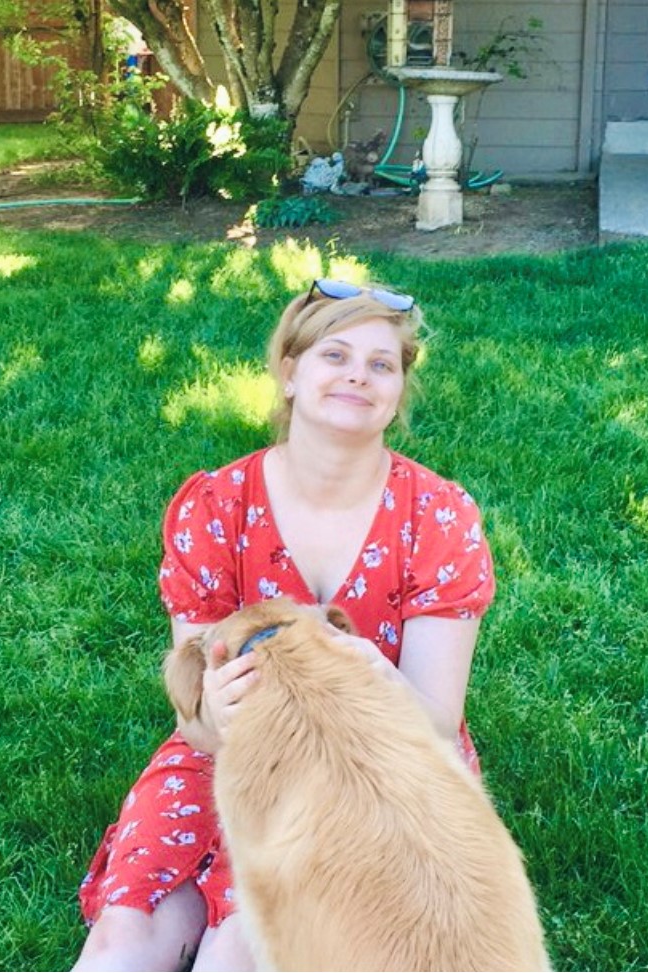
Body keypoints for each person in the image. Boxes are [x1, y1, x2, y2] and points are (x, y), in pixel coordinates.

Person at [72, 279, 496, 971]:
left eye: (381, 363)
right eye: (335, 354)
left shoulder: (436, 515)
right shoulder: (214, 505)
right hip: (223, 759)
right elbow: (195, 722)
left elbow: (435, 725)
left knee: (239, 951)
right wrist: (221, 712)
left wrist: (367, 675)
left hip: (373, 771)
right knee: (122, 943)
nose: (358, 373)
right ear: (291, 373)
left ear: (397, 389)